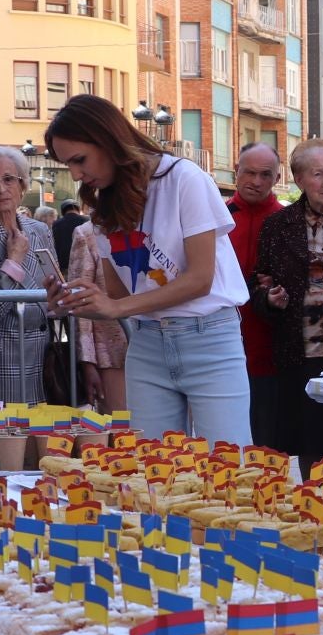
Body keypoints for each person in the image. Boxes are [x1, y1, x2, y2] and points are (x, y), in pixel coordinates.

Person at [44, 96, 252, 443]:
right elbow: (120, 295)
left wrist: (114, 307)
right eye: (69, 165)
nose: (77, 174)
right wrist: (76, 300)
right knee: (153, 466)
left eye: (79, 160)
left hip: (209, 339)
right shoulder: (104, 205)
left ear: (107, 139)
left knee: (227, 463)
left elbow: (200, 279)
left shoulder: (184, 178)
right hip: (147, 342)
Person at [257, 138, 323, 482]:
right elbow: (260, 280)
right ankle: (314, 502)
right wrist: (269, 299)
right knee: (309, 440)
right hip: (301, 350)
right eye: (318, 174)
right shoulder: (277, 226)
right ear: (299, 179)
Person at [0, 147, 57, 403]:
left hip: (45, 356)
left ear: (22, 185)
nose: (1, 188)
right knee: (5, 426)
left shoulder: (39, 230)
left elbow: (54, 288)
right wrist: (14, 260)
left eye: (8, 179)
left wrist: (59, 304)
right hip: (3, 361)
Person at [229, 142, 282, 446]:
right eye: (249, 172)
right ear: (236, 171)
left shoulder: (288, 221)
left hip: (268, 350)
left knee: (267, 442)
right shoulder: (216, 217)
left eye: (265, 174)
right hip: (220, 347)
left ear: (277, 178)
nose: (256, 181)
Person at [65, 204, 128, 411]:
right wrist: (87, 362)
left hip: (160, 347)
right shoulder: (87, 233)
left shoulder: (156, 227)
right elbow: (79, 301)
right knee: (120, 425)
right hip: (111, 354)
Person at [51, 197, 86, 273]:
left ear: (63, 210)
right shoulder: (86, 221)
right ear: (78, 209)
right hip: (83, 265)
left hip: (63, 265)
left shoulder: (56, 224)